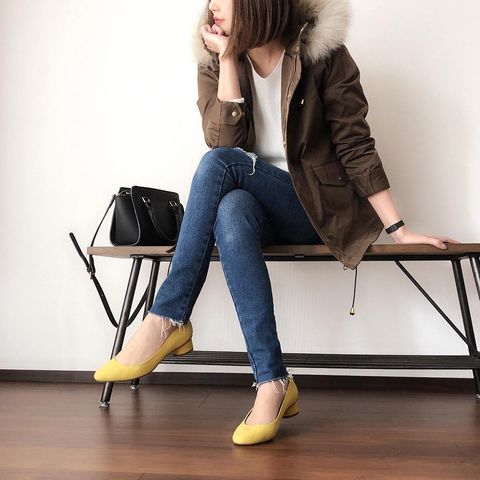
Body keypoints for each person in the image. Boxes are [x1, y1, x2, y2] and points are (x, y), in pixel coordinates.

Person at [94, 0, 460, 445]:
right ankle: (272, 381)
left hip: (315, 208)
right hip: (256, 209)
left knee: (219, 166)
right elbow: (222, 139)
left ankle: (168, 318)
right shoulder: (215, 60)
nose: (212, 7)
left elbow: (355, 145)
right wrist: (229, 60)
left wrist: (398, 229)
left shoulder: (322, 55)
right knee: (230, 209)